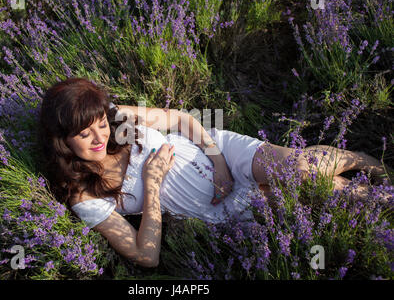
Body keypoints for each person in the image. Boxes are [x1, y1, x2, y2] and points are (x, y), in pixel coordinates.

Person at [38, 77, 391, 268]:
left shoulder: (117, 118)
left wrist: (219, 161)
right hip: (219, 209)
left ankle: (364, 160)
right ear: (63, 142)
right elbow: (146, 256)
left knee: (300, 168)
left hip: (220, 154)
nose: (100, 137)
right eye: (84, 134)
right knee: (315, 200)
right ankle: (382, 198)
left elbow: (179, 119)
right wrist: (152, 184)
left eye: (100, 124)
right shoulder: (85, 195)